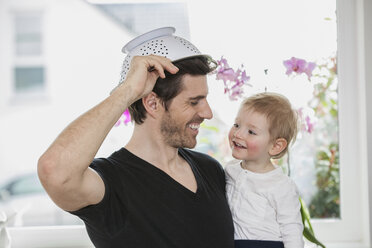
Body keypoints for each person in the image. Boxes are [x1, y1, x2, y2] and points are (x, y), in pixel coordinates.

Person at [37, 28, 234, 248]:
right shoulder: (111, 184)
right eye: (194, 102)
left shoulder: (210, 170)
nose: (207, 113)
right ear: (152, 103)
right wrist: (128, 90)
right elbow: (53, 171)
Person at [225, 92, 304, 248]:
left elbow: (292, 229)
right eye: (237, 125)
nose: (238, 134)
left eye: (251, 132)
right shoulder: (230, 170)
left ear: (275, 146)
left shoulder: (282, 185)